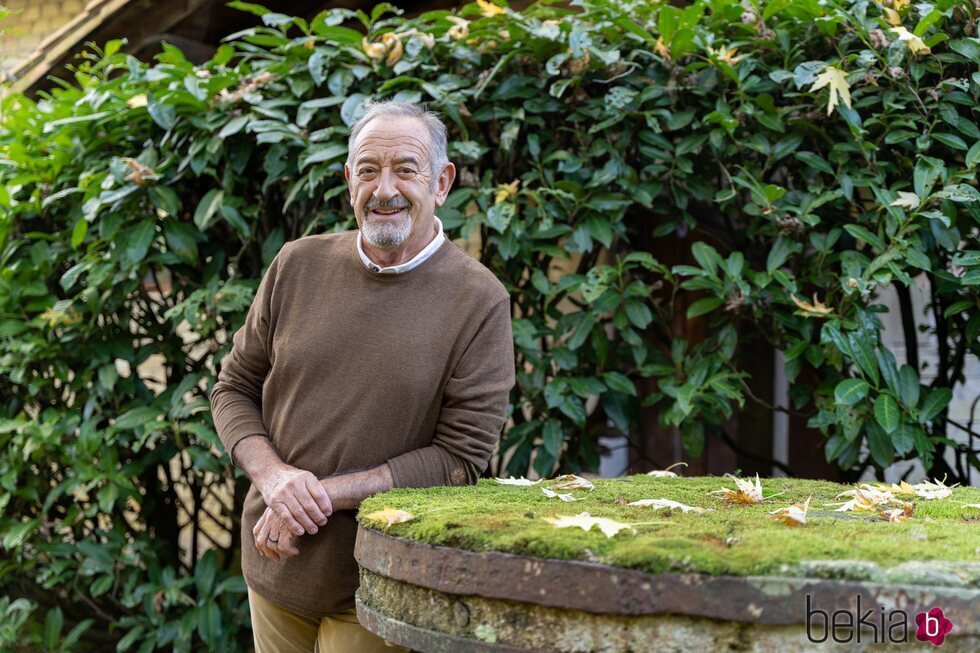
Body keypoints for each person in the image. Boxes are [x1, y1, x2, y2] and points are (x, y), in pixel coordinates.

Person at [209, 100, 515, 652]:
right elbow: (233, 388)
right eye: (369, 170)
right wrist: (276, 479)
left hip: (382, 583)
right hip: (275, 564)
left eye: (406, 169)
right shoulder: (296, 265)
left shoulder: (479, 300)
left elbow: (460, 460)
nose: (385, 189)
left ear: (442, 182)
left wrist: (317, 496)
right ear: (349, 180)